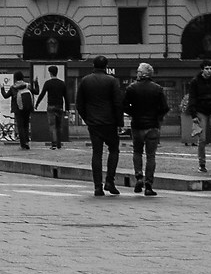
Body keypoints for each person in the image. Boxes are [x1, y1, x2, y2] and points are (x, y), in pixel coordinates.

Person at [75, 56, 124, 197]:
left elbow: (79, 104)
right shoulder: (112, 81)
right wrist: (119, 122)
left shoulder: (85, 80)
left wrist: (87, 118)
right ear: (106, 66)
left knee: (97, 153)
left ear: (93, 65)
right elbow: (117, 102)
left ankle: (97, 186)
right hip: (109, 122)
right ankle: (110, 180)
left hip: (94, 122)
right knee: (114, 149)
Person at [121, 61, 169, 196]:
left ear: (142, 74)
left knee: (137, 152)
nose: (136, 73)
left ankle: (138, 176)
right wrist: (157, 117)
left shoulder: (131, 88)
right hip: (153, 125)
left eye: (138, 71)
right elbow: (164, 107)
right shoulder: (157, 89)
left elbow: (124, 105)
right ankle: (149, 183)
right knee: (151, 155)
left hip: (137, 125)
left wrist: (133, 113)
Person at [183, 62, 211, 173]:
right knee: (202, 139)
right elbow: (192, 98)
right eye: (207, 68)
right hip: (201, 111)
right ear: (202, 70)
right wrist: (194, 114)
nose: (209, 71)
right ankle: (202, 163)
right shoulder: (195, 82)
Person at [34, 62, 68, 148]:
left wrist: (37, 103)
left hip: (51, 106)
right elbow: (66, 97)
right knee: (59, 126)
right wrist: (67, 108)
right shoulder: (62, 83)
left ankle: (54, 144)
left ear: (50, 73)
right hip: (60, 106)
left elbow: (42, 94)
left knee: (52, 126)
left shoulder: (48, 83)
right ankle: (59, 144)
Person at [9, 70, 35, 151]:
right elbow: (36, 91)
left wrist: (2, 88)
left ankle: (22, 144)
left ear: (15, 78)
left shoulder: (13, 87)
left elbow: (5, 95)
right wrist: (36, 84)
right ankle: (27, 142)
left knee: (20, 126)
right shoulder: (27, 85)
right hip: (27, 108)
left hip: (18, 109)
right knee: (26, 125)